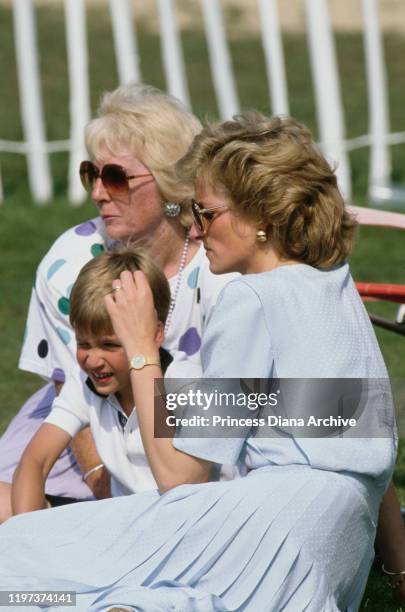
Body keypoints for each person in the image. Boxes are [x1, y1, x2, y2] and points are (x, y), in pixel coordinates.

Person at [0, 113, 398, 611]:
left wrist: (143, 349)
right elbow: (364, 443)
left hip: (262, 532)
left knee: (23, 552)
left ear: (260, 218)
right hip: (335, 543)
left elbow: (180, 477)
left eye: (206, 212)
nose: (195, 224)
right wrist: (399, 573)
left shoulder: (249, 297)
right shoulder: (332, 281)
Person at [0, 84, 235, 519]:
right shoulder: (68, 262)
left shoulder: (221, 263)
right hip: (89, 424)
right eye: (92, 174)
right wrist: (103, 485)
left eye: (115, 177)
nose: (98, 193)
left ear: (168, 182)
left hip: (194, 427)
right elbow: (70, 383)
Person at [11, 249, 176, 514]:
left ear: (154, 334)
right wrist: (25, 533)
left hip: (180, 526)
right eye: (83, 344)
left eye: (109, 345)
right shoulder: (84, 382)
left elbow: (191, 485)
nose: (93, 360)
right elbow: (35, 461)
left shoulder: (188, 381)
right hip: (119, 520)